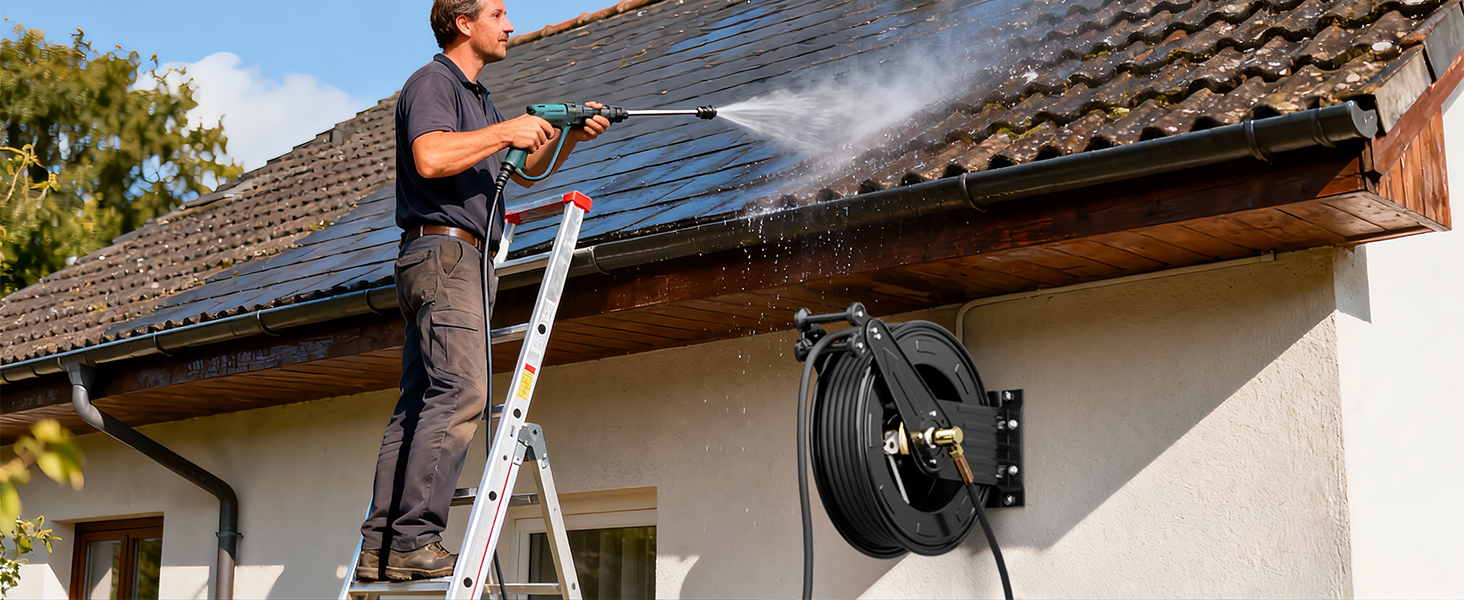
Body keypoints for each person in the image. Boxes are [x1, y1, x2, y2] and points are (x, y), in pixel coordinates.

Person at [356, 0, 612, 581]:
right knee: (464, 392)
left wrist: (569, 134)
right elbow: (430, 155)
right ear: (463, 24)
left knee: (420, 401)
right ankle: (415, 540)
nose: (510, 25)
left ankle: (381, 545)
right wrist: (506, 130)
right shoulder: (432, 82)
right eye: (498, 13)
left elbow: (521, 170)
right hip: (445, 254)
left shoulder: (477, 99)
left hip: (451, 258)